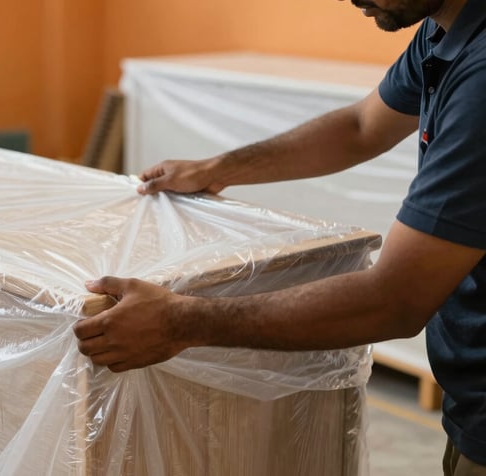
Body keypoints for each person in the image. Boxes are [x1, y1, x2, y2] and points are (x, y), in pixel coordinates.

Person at [73, 0, 486, 474]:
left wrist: (180, 323)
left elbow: (395, 299)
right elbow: (360, 127)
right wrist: (220, 168)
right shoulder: (444, 29)